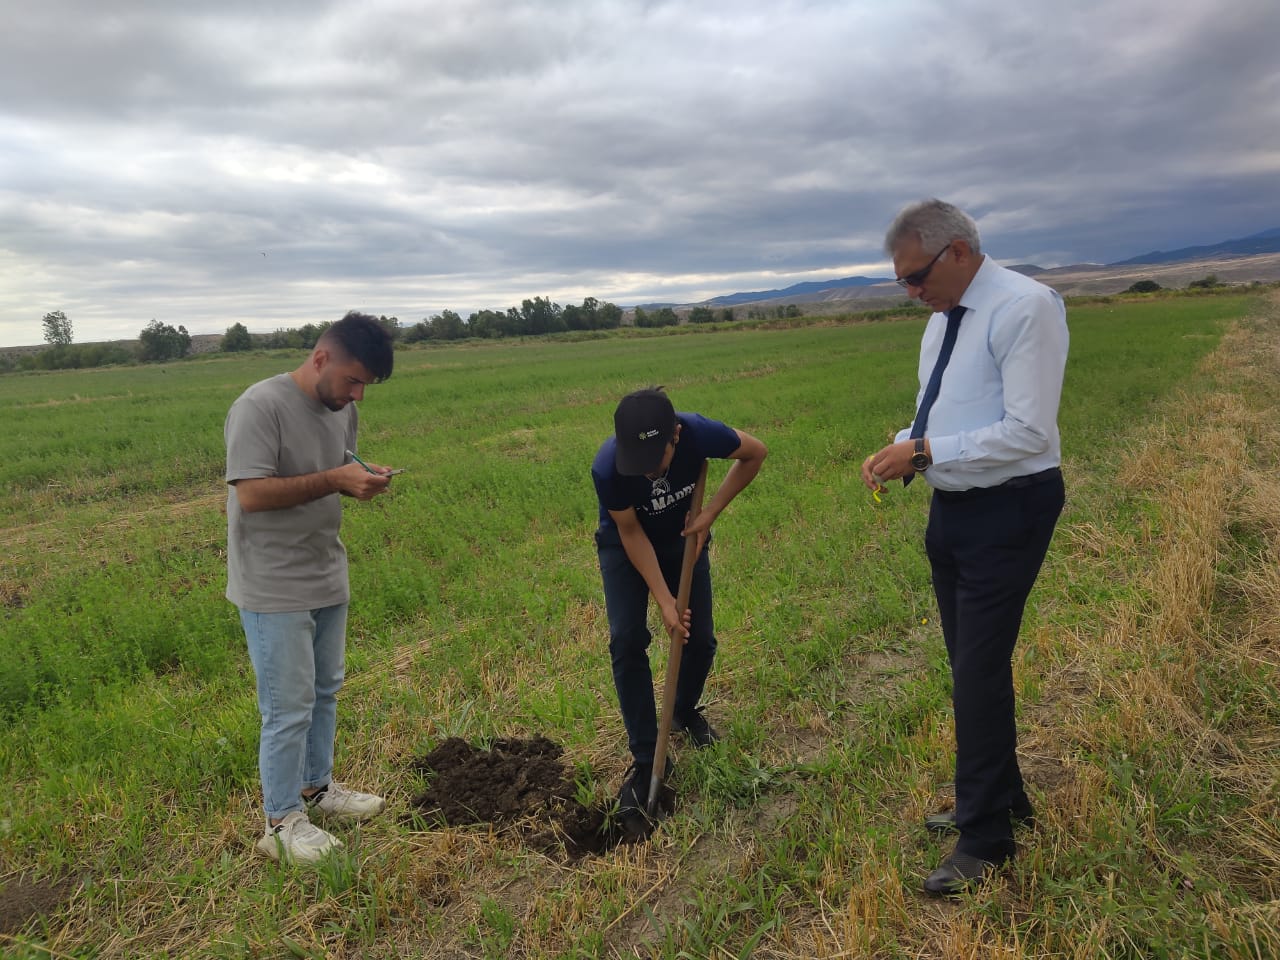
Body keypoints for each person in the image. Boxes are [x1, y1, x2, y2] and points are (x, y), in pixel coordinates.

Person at [861, 199, 1068, 896]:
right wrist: (901, 445)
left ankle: (985, 838)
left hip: (1010, 508)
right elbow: (946, 410)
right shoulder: (941, 319)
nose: (910, 292)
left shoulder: (1025, 307)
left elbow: (1028, 432)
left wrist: (921, 452)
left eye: (915, 276)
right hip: (952, 509)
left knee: (975, 673)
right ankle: (1003, 798)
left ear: (957, 252)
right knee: (970, 665)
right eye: (901, 281)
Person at [225, 311, 398, 865]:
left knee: (325, 691)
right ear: (321, 358)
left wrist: (360, 479)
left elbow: (334, 472)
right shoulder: (259, 406)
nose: (357, 396)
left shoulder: (342, 409)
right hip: (273, 583)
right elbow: (251, 494)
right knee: (287, 707)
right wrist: (335, 480)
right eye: (353, 381)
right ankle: (280, 823)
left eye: (366, 387)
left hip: (326, 570)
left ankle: (316, 789)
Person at [592, 387, 766, 816]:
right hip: (625, 547)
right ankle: (647, 757)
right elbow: (630, 532)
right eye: (639, 464)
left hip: (683, 538)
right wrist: (664, 598)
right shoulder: (607, 468)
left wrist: (710, 513)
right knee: (627, 639)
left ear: (675, 435)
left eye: (656, 461)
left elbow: (755, 453)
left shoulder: (700, 433)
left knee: (699, 640)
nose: (648, 472)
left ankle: (683, 713)